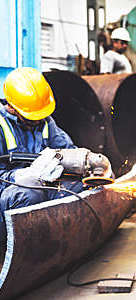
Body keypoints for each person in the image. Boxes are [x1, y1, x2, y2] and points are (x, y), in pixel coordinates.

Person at [0, 67, 111, 241]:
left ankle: (66, 241)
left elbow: (67, 148)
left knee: (82, 186)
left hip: (43, 185)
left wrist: (89, 163)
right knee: (27, 194)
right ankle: (21, 249)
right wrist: (23, 175)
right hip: (10, 194)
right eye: (32, 116)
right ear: (12, 107)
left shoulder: (44, 121)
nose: (38, 120)